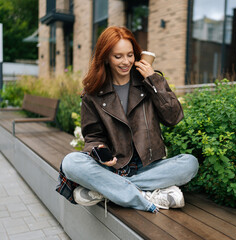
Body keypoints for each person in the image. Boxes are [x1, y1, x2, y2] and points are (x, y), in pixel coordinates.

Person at [56, 26, 199, 213]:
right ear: (106, 57)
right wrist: (99, 150)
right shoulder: (93, 94)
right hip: (114, 167)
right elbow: (93, 137)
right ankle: (143, 198)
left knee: (190, 164)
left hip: (150, 166)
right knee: (70, 163)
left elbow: (174, 117)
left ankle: (107, 191)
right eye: (118, 56)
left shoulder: (150, 82)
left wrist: (153, 80)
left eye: (130, 55)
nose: (126, 62)